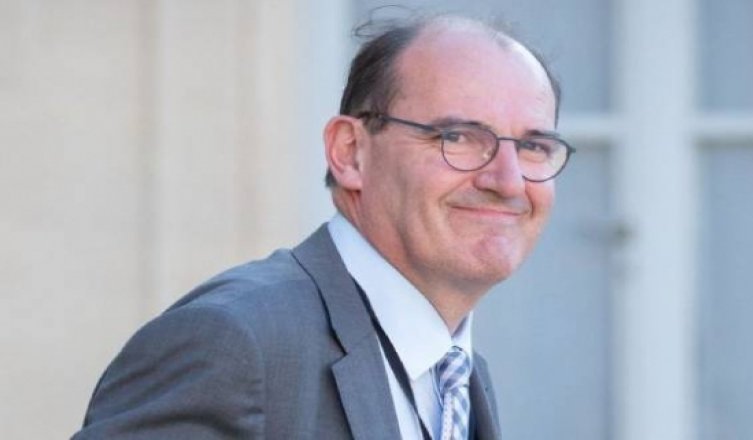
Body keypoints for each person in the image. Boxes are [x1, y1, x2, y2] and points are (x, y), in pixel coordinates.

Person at [74, 13, 572, 440]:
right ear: (350, 152)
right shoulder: (235, 343)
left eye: (533, 146)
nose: (508, 181)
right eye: (458, 137)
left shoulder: (456, 373)